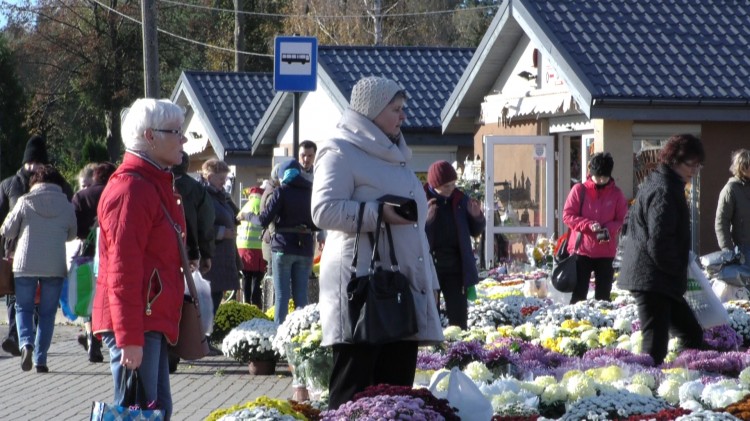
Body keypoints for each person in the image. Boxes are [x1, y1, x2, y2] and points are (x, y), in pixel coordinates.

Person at [311, 76, 444, 408]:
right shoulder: (340, 149)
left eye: (402, 109)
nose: (402, 117)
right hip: (363, 293)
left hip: (399, 290)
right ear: (371, 111)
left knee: (395, 396)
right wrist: (378, 212)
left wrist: (431, 281)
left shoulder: (395, 153)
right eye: (396, 110)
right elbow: (323, 210)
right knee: (353, 394)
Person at [93, 98, 187, 419]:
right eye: (175, 132)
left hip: (147, 317)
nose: (183, 139)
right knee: (140, 413)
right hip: (135, 321)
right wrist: (129, 338)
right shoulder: (131, 190)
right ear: (150, 137)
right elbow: (122, 271)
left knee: (156, 411)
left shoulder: (153, 183)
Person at [618, 134, 706, 365]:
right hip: (653, 278)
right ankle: (642, 394)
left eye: (698, 165)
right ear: (673, 161)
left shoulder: (665, 183)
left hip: (659, 279)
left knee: (691, 334)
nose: (694, 170)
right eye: (690, 164)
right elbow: (659, 242)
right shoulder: (665, 190)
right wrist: (678, 269)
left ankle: (684, 379)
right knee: (655, 348)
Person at [0, 135, 73, 357]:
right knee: (18, 299)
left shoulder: (57, 184)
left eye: (38, 163)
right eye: (30, 162)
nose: (33, 167)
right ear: (24, 162)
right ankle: (21, 340)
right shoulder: (11, 184)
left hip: (30, 255)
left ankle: (26, 343)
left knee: (32, 304)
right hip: (17, 251)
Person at [424, 160, 485, 329]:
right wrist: (427, 221)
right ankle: (433, 353)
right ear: (434, 185)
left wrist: (476, 217)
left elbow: (476, 231)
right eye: (446, 186)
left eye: (453, 184)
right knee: (430, 316)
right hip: (430, 267)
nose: (451, 189)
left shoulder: (460, 199)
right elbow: (413, 235)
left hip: (456, 267)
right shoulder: (421, 200)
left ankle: (461, 349)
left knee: (458, 316)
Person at [562, 152, 628, 304]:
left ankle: (603, 323)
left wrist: (607, 228)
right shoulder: (579, 190)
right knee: (579, 294)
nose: (600, 180)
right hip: (581, 251)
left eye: (604, 177)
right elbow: (568, 216)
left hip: (605, 252)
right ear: (590, 173)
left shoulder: (616, 194)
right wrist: (588, 225)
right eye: (597, 176)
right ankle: (576, 322)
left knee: (604, 296)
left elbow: (622, 220)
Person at [259, 159, 317, 325]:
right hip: (305, 248)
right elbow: (317, 224)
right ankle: (303, 334)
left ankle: (279, 338)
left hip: (283, 247)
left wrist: (249, 216)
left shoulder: (281, 191)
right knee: (301, 296)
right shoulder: (311, 191)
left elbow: (264, 220)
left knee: (282, 295)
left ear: (282, 174)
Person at [72, 161, 117, 362]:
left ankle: (92, 339)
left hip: (88, 253)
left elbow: (75, 228)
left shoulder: (82, 197)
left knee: (88, 297)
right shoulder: (118, 194)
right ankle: (108, 336)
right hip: (111, 253)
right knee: (108, 297)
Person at [200, 158, 241, 353]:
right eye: (220, 179)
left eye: (225, 178)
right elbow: (200, 224)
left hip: (223, 256)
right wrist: (221, 232)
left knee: (214, 299)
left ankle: (205, 339)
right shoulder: (204, 196)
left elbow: (234, 215)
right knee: (207, 300)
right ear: (209, 177)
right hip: (212, 257)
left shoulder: (220, 196)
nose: (224, 182)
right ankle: (201, 341)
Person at [172, 151, 214, 275]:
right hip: (189, 250)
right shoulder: (197, 189)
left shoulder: (157, 184)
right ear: (187, 165)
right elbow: (205, 223)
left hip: (161, 249)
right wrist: (206, 254)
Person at [715, 149, 750, 267]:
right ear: (742, 167)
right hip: (742, 251)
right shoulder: (730, 189)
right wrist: (727, 250)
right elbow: (721, 221)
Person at [237, 186, 266, 307]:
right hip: (257, 247)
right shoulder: (261, 204)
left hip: (242, 247)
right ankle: (256, 305)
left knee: (246, 278)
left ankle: (246, 303)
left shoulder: (245, 206)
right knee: (257, 278)